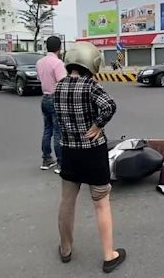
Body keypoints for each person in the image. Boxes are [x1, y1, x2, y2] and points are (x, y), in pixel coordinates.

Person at [53, 41, 126, 274]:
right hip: (93, 152)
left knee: (67, 203)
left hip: (69, 152)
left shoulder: (59, 86)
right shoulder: (91, 86)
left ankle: (65, 249)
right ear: (91, 62)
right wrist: (97, 125)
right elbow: (109, 106)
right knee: (101, 204)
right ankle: (108, 256)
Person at [36, 36, 67, 172]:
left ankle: (46, 159)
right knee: (58, 131)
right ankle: (61, 163)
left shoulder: (40, 62)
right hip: (56, 98)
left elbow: (39, 78)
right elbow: (63, 82)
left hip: (45, 97)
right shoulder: (58, 63)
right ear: (59, 48)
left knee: (47, 129)